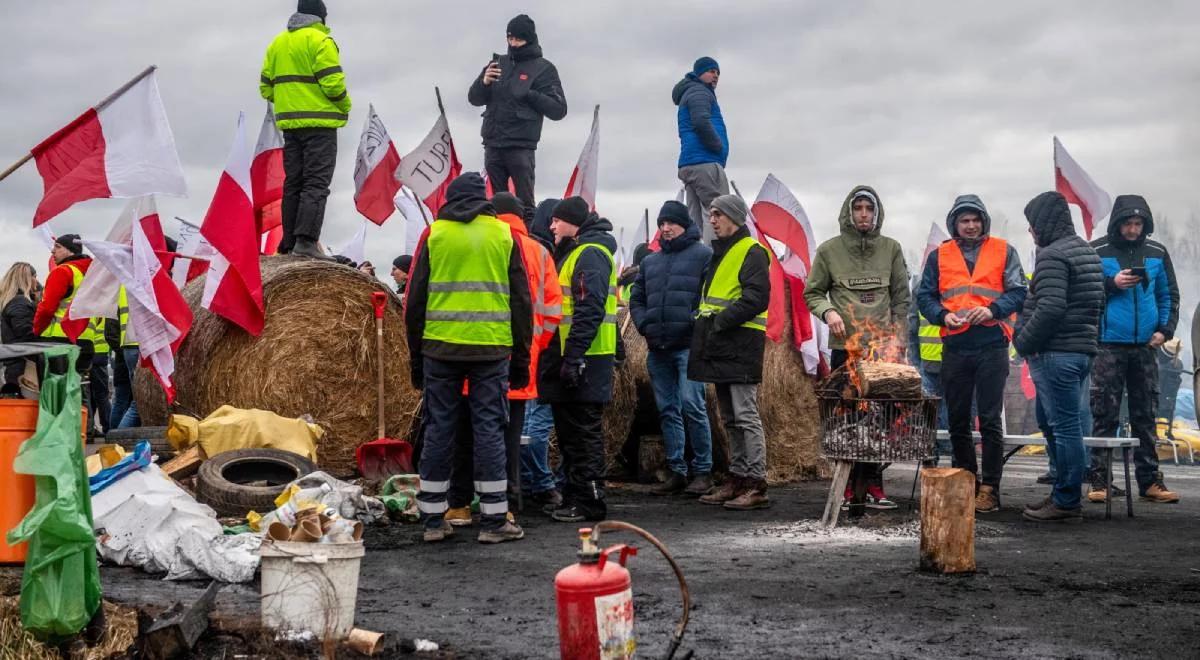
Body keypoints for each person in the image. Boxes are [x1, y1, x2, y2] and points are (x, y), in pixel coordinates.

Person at [405, 173, 533, 544]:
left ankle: (432, 519)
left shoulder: (436, 234)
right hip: (491, 348)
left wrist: (416, 358)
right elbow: (521, 302)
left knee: (439, 428)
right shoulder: (502, 235)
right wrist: (521, 359)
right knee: (489, 429)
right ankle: (494, 521)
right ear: (485, 200)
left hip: (439, 348)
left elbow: (415, 301)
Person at [445, 192, 563, 523]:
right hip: (521, 363)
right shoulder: (539, 252)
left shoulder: (481, 244)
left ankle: (458, 505)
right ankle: (506, 506)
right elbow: (553, 311)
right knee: (507, 438)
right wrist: (534, 346)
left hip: (474, 355)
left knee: (466, 434)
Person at [917, 195, 1027, 513]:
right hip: (956, 345)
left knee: (990, 419)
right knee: (958, 420)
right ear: (955, 224)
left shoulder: (1004, 250)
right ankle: (966, 482)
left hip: (992, 343)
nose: (970, 225)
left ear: (983, 221)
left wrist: (992, 309)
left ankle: (990, 488)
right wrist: (941, 315)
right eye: (964, 220)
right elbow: (925, 296)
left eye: (975, 219)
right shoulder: (940, 256)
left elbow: (1019, 291)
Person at [804, 186, 910, 510]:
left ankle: (875, 484)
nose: (864, 214)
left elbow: (901, 300)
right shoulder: (829, 251)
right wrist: (829, 311)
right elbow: (813, 293)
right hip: (846, 351)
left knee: (880, 420)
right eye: (858, 208)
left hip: (882, 352)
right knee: (847, 419)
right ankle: (849, 486)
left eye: (869, 209)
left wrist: (899, 340)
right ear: (848, 213)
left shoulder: (891, 248)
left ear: (877, 214)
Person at [1015, 192, 1104, 523]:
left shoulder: (1052, 256)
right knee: (1051, 423)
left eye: (1031, 225)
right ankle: (1062, 493)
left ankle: (1067, 501)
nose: (1030, 232)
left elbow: (1050, 307)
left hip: (1055, 354)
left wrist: (1023, 343)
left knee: (1065, 428)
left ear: (1042, 223)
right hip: (1080, 353)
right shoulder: (1087, 252)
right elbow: (1099, 304)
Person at [1087, 195, 1181, 504]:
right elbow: (1085, 292)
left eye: (1138, 223)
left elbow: (1168, 295)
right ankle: (1099, 481)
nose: (1132, 229)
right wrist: (1112, 283)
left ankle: (1150, 481)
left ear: (1146, 224)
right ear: (1117, 223)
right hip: (1108, 345)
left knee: (1145, 414)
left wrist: (1164, 331)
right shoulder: (1097, 251)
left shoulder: (1157, 252)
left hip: (1145, 346)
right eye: (1127, 223)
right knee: (1104, 413)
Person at [687, 195, 771, 510]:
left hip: (739, 343)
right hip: (721, 344)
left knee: (745, 415)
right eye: (711, 214)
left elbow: (756, 297)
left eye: (718, 214)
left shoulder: (751, 251)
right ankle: (737, 477)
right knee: (730, 417)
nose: (712, 220)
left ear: (734, 217)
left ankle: (756, 483)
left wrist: (719, 322)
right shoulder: (720, 253)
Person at [538, 197, 618, 522]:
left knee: (584, 436)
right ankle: (574, 495)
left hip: (586, 359)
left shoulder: (590, 254)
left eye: (557, 220)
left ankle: (589, 502)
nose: (552, 226)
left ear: (573, 222)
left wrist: (573, 356)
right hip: (574, 357)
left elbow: (589, 309)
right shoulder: (576, 253)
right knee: (571, 436)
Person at [630, 200, 714, 496]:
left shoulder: (704, 255)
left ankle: (703, 471)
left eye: (671, 223)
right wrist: (644, 324)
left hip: (688, 346)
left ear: (684, 224)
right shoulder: (651, 262)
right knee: (667, 409)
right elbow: (636, 297)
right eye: (662, 224)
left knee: (693, 406)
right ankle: (677, 470)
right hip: (658, 347)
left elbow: (709, 297)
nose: (665, 228)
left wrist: (693, 323)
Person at [260, 0, 351, 258]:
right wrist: (345, 104)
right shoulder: (322, 41)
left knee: (294, 183)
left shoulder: (277, 43)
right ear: (321, 17)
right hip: (320, 125)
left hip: (290, 126)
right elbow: (333, 84)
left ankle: (288, 243)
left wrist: (290, 101)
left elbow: (265, 88)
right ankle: (307, 242)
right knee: (316, 184)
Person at [467, 14, 567, 207]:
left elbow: (559, 109)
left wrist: (530, 94)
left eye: (518, 39)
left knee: (525, 203)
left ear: (529, 39)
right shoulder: (497, 64)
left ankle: (527, 236)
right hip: (493, 144)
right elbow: (474, 98)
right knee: (496, 203)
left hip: (521, 147)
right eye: (510, 38)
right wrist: (484, 82)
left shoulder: (544, 69)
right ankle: (502, 237)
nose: (513, 43)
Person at [34, 234, 95, 412]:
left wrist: (36, 330)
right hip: (85, 342)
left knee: (56, 396)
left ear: (70, 250)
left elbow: (46, 308)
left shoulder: (63, 271)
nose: (53, 250)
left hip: (59, 341)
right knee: (77, 391)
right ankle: (81, 432)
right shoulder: (90, 274)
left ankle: (58, 435)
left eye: (58, 246)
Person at [673, 57, 730, 237]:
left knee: (695, 220)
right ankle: (713, 261)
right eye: (711, 71)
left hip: (691, 163)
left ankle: (697, 259)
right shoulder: (700, 92)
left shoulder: (689, 92)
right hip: (705, 160)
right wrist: (718, 147)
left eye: (718, 72)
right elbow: (700, 122)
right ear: (699, 73)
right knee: (717, 215)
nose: (716, 76)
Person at [0, 263, 40, 390]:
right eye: (35, 276)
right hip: (21, 365)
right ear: (27, 278)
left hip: (15, 362)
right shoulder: (20, 302)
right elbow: (25, 333)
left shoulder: (13, 300)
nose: (36, 281)